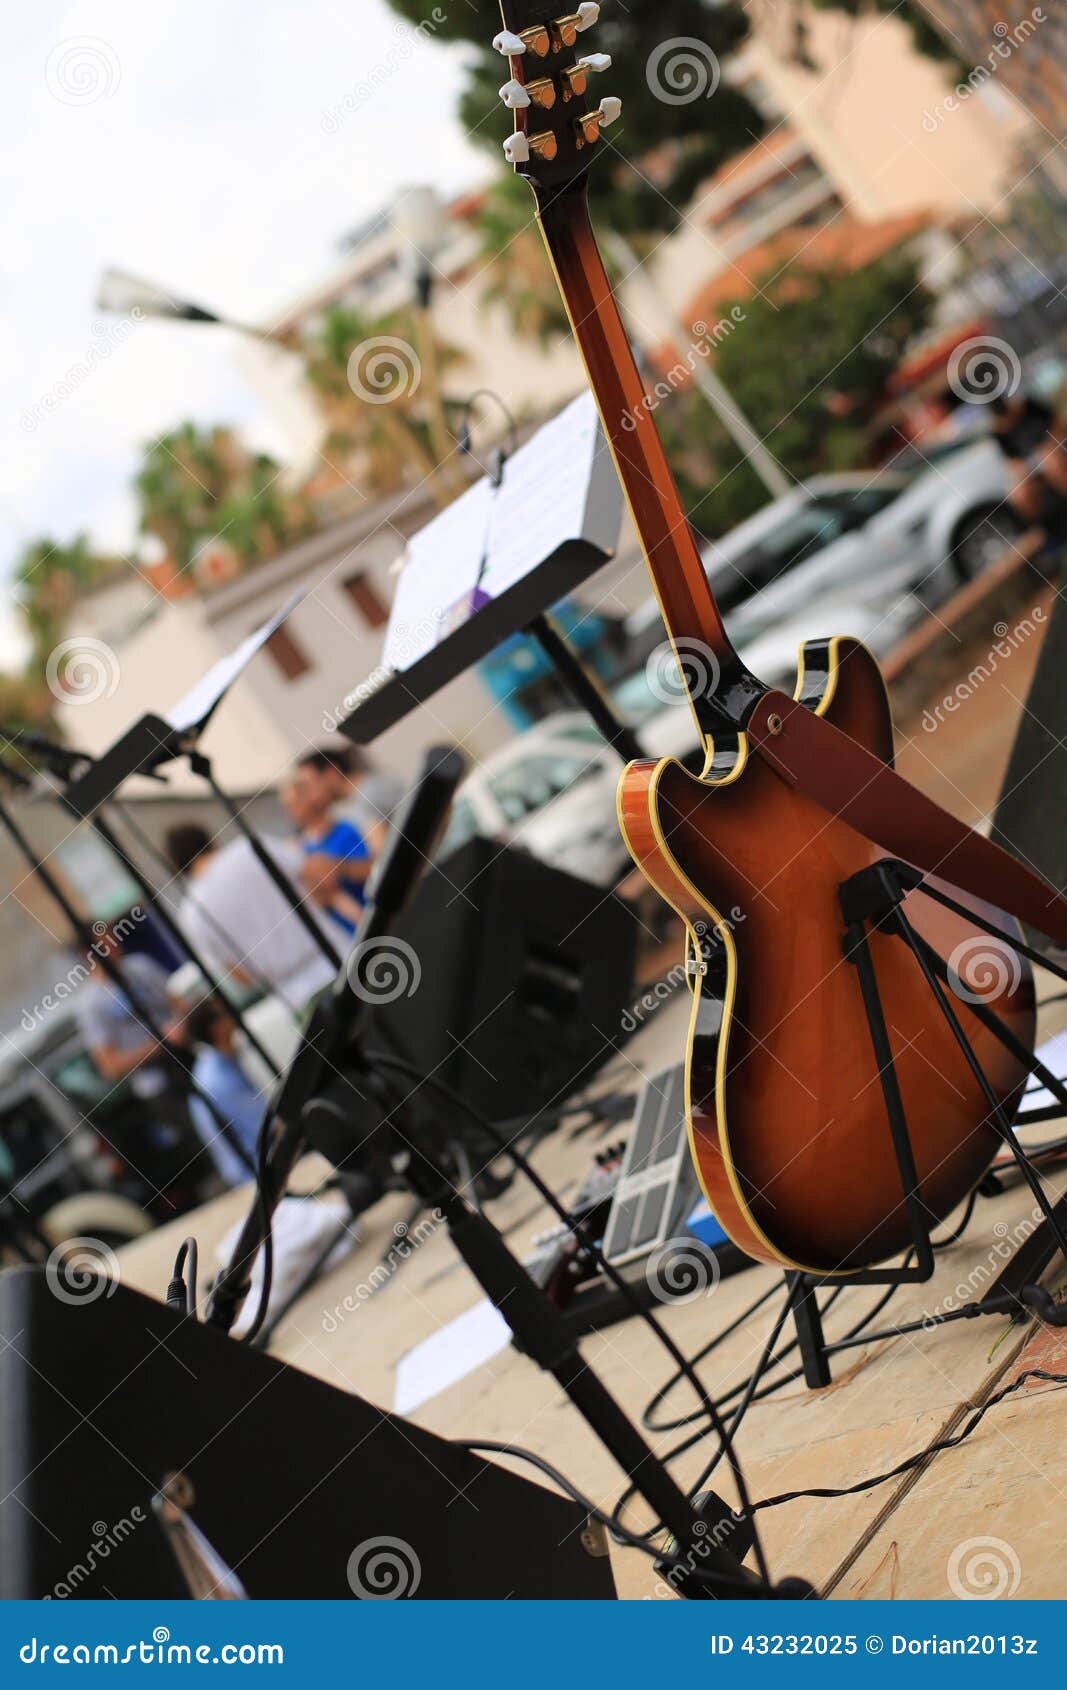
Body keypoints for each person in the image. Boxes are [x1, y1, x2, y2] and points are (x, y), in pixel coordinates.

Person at [164, 823, 338, 1014]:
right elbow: (321, 878)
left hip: (298, 1000)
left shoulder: (191, 914)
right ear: (210, 839)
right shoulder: (247, 849)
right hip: (337, 957)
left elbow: (241, 978)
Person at [75, 922, 187, 1101]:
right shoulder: (91, 1004)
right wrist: (159, 1043)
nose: (114, 944)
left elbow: (178, 1002)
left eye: (113, 938)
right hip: (160, 1085)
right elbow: (109, 1066)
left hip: (188, 1056)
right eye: (105, 942)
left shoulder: (139, 965)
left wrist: (181, 1024)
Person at [280, 757, 373, 935]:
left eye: (293, 803)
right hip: (353, 936)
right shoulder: (300, 849)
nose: (289, 810)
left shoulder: (347, 827)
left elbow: (374, 868)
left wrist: (338, 868)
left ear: (311, 798)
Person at [182, 992, 265, 1187]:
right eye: (225, 1012)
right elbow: (266, 1125)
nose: (232, 1012)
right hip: (254, 1174)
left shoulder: (214, 1065)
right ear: (217, 1028)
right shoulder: (217, 1079)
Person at [300, 745, 407, 852]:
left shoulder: (367, 795)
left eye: (311, 785)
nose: (311, 796)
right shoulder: (367, 788)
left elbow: (384, 854)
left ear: (331, 773)